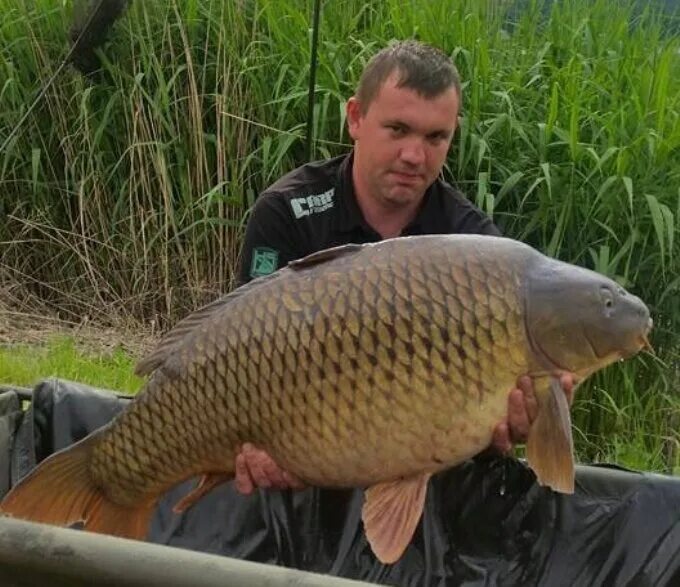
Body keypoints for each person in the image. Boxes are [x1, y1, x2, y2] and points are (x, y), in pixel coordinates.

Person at [231, 40, 574, 495]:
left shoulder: (476, 246)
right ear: (355, 117)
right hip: (300, 455)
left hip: (428, 481)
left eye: (436, 138)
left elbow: (504, 415)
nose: (415, 156)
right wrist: (249, 445)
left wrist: (528, 420)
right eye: (398, 129)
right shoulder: (286, 212)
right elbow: (240, 360)